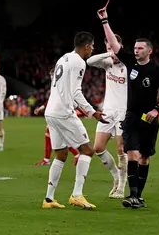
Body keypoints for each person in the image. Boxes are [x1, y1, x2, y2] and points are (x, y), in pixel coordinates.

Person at [97, 7, 159, 208]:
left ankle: (139, 196)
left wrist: (156, 110)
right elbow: (113, 43)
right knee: (131, 152)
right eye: (135, 48)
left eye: (140, 48)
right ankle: (131, 195)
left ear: (149, 51)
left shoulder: (157, 71)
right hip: (131, 117)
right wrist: (105, 21)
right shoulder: (130, 62)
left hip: (149, 119)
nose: (136, 50)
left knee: (145, 157)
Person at [42, 31, 108, 210]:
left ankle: (48, 199)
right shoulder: (79, 62)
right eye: (92, 46)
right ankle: (77, 195)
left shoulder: (63, 58)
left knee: (61, 154)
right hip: (63, 111)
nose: (93, 49)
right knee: (87, 150)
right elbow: (75, 92)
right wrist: (92, 112)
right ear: (87, 46)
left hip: (51, 111)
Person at [86, 35, 128, 199]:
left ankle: (121, 188)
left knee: (120, 149)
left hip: (123, 112)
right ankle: (116, 176)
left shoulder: (128, 64)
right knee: (97, 148)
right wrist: (108, 54)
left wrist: (119, 52)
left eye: (114, 48)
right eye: (108, 47)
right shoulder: (108, 62)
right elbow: (89, 61)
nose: (112, 52)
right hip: (108, 111)